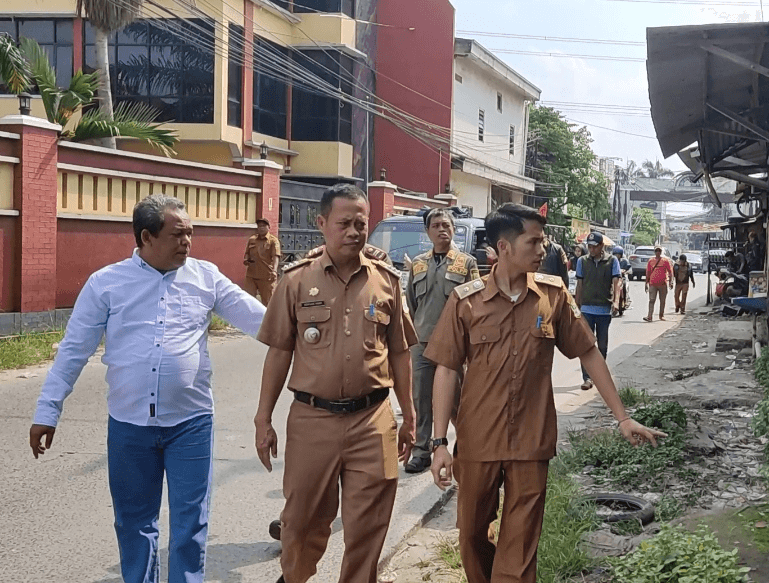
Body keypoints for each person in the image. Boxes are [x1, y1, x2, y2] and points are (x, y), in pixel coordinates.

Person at [29, 194, 266, 583]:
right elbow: (72, 352)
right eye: (177, 234)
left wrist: (314, 323)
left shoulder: (206, 277)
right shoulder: (106, 284)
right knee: (134, 523)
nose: (187, 242)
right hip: (129, 426)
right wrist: (46, 412)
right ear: (146, 236)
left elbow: (262, 322)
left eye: (190, 233)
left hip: (191, 425)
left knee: (191, 524)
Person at [423, 203, 666, 583]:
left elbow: (588, 352)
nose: (543, 249)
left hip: (531, 442)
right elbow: (446, 368)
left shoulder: (552, 296)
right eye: (534, 241)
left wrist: (622, 416)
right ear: (504, 247)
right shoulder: (466, 301)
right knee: (471, 535)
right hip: (477, 440)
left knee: (519, 550)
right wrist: (439, 441)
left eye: (544, 240)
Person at [254, 183, 417, 583]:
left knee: (369, 528)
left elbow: (399, 352)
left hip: (373, 419)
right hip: (313, 421)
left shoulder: (387, 281)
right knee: (301, 524)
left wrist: (409, 414)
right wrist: (263, 419)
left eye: (361, 224)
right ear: (322, 223)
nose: (354, 232)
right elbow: (279, 352)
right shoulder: (295, 281)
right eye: (344, 223)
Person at [404, 208, 481, 474]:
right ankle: (422, 451)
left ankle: (466, 448)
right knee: (421, 398)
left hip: (454, 344)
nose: (441, 229)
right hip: (423, 342)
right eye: (436, 225)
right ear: (428, 232)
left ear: (454, 229)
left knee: (456, 399)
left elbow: (474, 304)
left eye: (446, 225)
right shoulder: (418, 264)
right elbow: (412, 303)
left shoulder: (466, 263)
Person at [575, 232, 622, 391]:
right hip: (586, 308)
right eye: (589, 247)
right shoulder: (582, 261)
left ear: (601, 246)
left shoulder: (612, 261)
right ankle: (587, 378)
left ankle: (599, 376)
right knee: (586, 344)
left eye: (594, 247)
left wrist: (616, 302)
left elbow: (617, 283)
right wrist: (576, 306)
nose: (591, 250)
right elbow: (579, 285)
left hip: (604, 309)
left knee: (602, 345)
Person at [243, 217, 282, 306]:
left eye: (264, 226)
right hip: (251, 275)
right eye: (259, 226)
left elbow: (276, 256)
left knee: (268, 302)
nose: (261, 228)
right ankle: (250, 318)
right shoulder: (252, 239)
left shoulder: (273, 241)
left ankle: (268, 319)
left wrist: (275, 271)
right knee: (248, 299)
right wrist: (246, 259)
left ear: (269, 227)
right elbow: (247, 253)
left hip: (266, 276)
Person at [644, 246, 674, 322]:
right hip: (652, 284)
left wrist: (671, 281)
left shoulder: (665, 260)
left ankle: (661, 315)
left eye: (659, 251)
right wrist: (646, 284)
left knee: (662, 300)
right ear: (654, 252)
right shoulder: (651, 261)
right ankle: (649, 316)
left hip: (663, 284)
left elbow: (670, 272)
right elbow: (648, 273)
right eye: (656, 251)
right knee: (652, 300)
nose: (658, 252)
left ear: (661, 252)